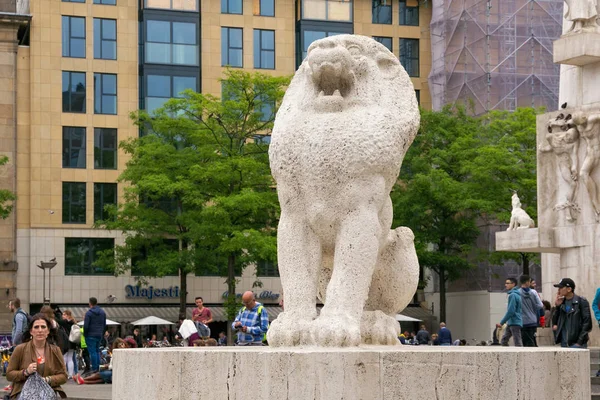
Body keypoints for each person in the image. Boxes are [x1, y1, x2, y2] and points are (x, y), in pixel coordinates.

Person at [6, 313, 68, 399]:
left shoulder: (55, 350)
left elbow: (64, 376)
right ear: (31, 331)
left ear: (48, 331)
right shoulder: (20, 349)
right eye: (36, 327)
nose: (40, 330)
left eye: (43, 327)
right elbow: (9, 374)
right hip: (24, 394)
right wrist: (25, 372)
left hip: (47, 394)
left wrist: (47, 380)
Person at [552, 278, 592, 348]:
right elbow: (555, 324)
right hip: (564, 343)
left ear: (569, 289)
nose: (558, 290)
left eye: (561, 287)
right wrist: (557, 306)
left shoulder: (581, 301)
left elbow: (587, 323)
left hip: (577, 343)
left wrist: (579, 342)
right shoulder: (562, 302)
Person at [497, 277, 523, 347]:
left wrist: (502, 322)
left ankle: (520, 356)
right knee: (504, 340)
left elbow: (511, 311)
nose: (506, 285)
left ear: (513, 284)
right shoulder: (516, 294)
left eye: (508, 283)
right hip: (512, 322)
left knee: (517, 342)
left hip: (514, 322)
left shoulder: (513, 295)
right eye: (506, 283)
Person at [84, 297, 107, 373]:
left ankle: (94, 369)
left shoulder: (89, 313)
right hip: (99, 334)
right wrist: (102, 333)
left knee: (92, 352)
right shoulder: (102, 312)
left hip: (90, 334)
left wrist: (85, 334)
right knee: (97, 351)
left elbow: (86, 326)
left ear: (90, 303)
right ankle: (98, 368)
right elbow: (104, 324)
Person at [519, 275, 543, 347]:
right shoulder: (534, 292)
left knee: (525, 342)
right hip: (533, 320)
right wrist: (533, 308)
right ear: (527, 282)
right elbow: (540, 305)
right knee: (532, 340)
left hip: (522, 321)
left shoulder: (517, 293)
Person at [61, 310, 78, 380]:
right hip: (73, 342)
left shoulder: (65, 323)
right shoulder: (74, 323)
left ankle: (64, 373)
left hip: (66, 342)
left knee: (64, 358)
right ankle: (70, 374)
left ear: (68, 315)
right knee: (70, 358)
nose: (62, 316)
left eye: (64, 314)